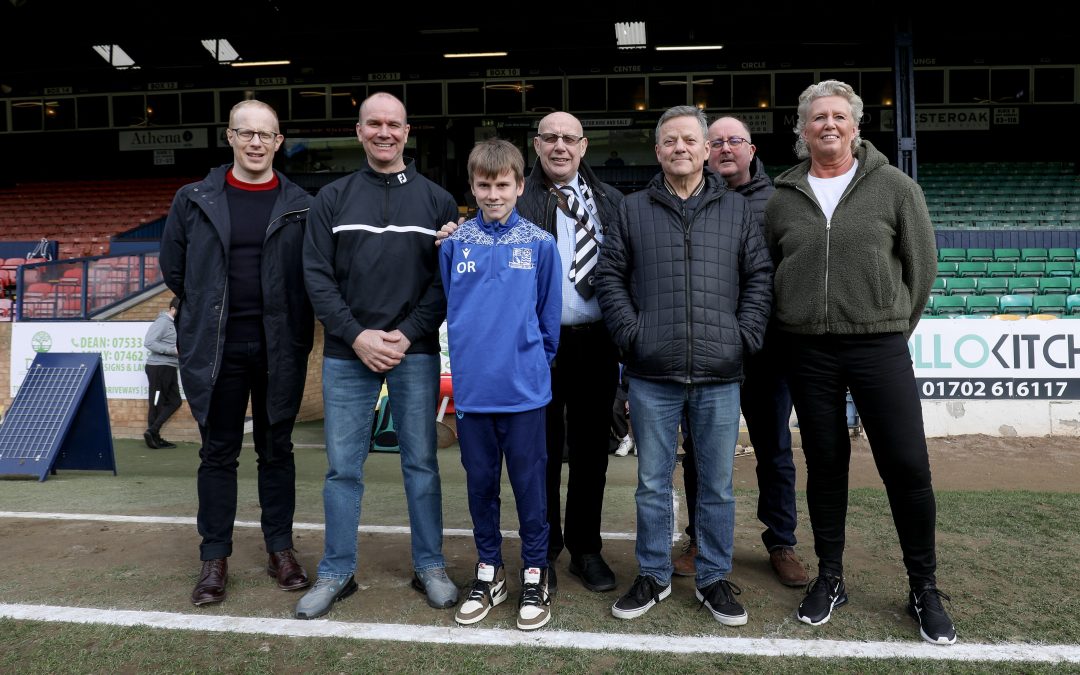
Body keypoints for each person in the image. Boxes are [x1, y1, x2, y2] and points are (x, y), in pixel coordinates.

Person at [764, 80, 956, 645]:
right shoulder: (782, 197)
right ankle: (831, 576)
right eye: (817, 117)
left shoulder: (895, 187)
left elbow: (920, 271)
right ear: (802, 130)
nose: (828, 124)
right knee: (825, 464)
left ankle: (923, 587)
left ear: (855, 125)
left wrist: (887, 322)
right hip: (807, 349)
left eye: (838, 117)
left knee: (907, 465)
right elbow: (774, 270)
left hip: (879, 345)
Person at [595, 106, 772, 626]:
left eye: (689, 140)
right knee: (652, 482)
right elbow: (610, 278)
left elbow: (759, 277)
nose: (680, 147)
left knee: (716, 484)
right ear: (657, 151)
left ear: (705, 149)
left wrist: (743, 339)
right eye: (670, 140)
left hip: (720, 372)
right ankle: (652, 574)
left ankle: (714, 577)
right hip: (653, 372)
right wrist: (634, 337)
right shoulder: (631, 209)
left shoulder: (737, 211)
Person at [441, 112, 624, 595]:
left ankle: (586, 548)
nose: (560, 146)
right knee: (536, 456)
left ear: (584, 146)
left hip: (595, 339)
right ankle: (542, 554)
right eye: (550, 138)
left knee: (590, 451)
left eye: (569, 138)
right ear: (536, 146)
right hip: (533, 350)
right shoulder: (519, 197)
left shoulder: (611, 200)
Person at [297, 92, 459, 619]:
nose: (384, 132)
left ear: (408, 132)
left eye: (393, 124)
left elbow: (443, 281)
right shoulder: (332, 198)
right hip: (348, 354)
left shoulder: (437, 200)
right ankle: (336, 572)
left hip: (413, 352)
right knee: (343, 470)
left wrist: (408, 334)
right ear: (359, 131)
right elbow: (316, 277)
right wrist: (356, 335)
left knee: (421, 465)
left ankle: (429, 565)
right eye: (374, 124)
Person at [160, 99, 314, 607]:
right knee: (218, 453)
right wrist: (205, 309)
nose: (254, 142)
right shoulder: (193, 198)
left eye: (264, 134)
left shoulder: (302, 204)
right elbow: (175, 268)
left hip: (279, 346)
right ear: (229, 137)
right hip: (217, 348)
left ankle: (280, 550)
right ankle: (214, 557)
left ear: (277, 141)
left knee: (277, 451)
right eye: (244, 133)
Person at [673, 116, 809, 588]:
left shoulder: (778, 202)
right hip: (707, 351)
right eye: (716, 142)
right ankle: (701, 540)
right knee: (700, 453)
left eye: (736, 141)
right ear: (704, 151)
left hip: (767, 351)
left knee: (773, 448)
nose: (725, 148)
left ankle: (781, 542)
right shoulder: (690, 201)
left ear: (752, 150)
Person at [440, 138, 562, 631]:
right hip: (473, 394)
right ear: (472, 186)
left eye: (503, 185)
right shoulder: (453, 245)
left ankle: (535, 571)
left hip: (525, 394)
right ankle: (489, 571)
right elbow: (455, 312)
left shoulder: (539, 244)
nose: (494, 194)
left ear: (520, 185)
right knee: (480, 486)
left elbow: (549, 323)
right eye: (484, 185)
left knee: (531, 487)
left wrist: (526, 364)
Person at [143, 295, 182, 449]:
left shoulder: (175, 324)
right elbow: (149, 342)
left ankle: (153, 431)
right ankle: (154, 437)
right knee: (156, 403)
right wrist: (172, 350)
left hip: (170, 368)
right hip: (159, 368)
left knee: (175, 401)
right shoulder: (163, 322)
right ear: (173, 309)